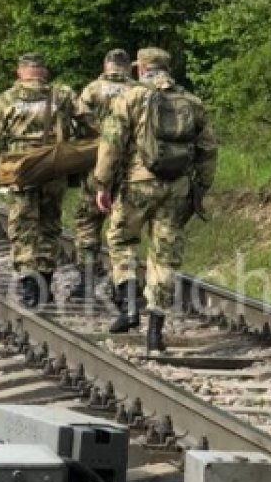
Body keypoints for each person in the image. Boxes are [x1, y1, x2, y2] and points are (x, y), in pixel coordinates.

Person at [93, 47, 218, 351]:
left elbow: (111, 144)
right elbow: (209, 149)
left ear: (142, 69)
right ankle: (155, 332)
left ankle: (130, 305)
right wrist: (200, 186)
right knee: (165, 255)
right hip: (176, 188)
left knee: (122, 240)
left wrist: (102, 184)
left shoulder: (131, 97)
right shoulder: (191, 102)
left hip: (138, 183)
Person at [0, 52, 82, 307]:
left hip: (21, 168)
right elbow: (90, 123)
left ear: (20, 72)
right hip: (54, 166)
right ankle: (45, 280)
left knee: (23, 225)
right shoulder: (62, 95)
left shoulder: (7, 98)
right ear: (44, 72)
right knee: (49, 224)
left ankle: (30, 285)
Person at [69, 48, 137, 299]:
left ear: (105, 65)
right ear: (128, 67)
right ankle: (124, 283)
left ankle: (86, 280)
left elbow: (76, 122)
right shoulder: (138, 91)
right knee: (123, 225)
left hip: (96, 164)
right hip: (131, 166)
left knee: (88, 220)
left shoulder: (91, 90)